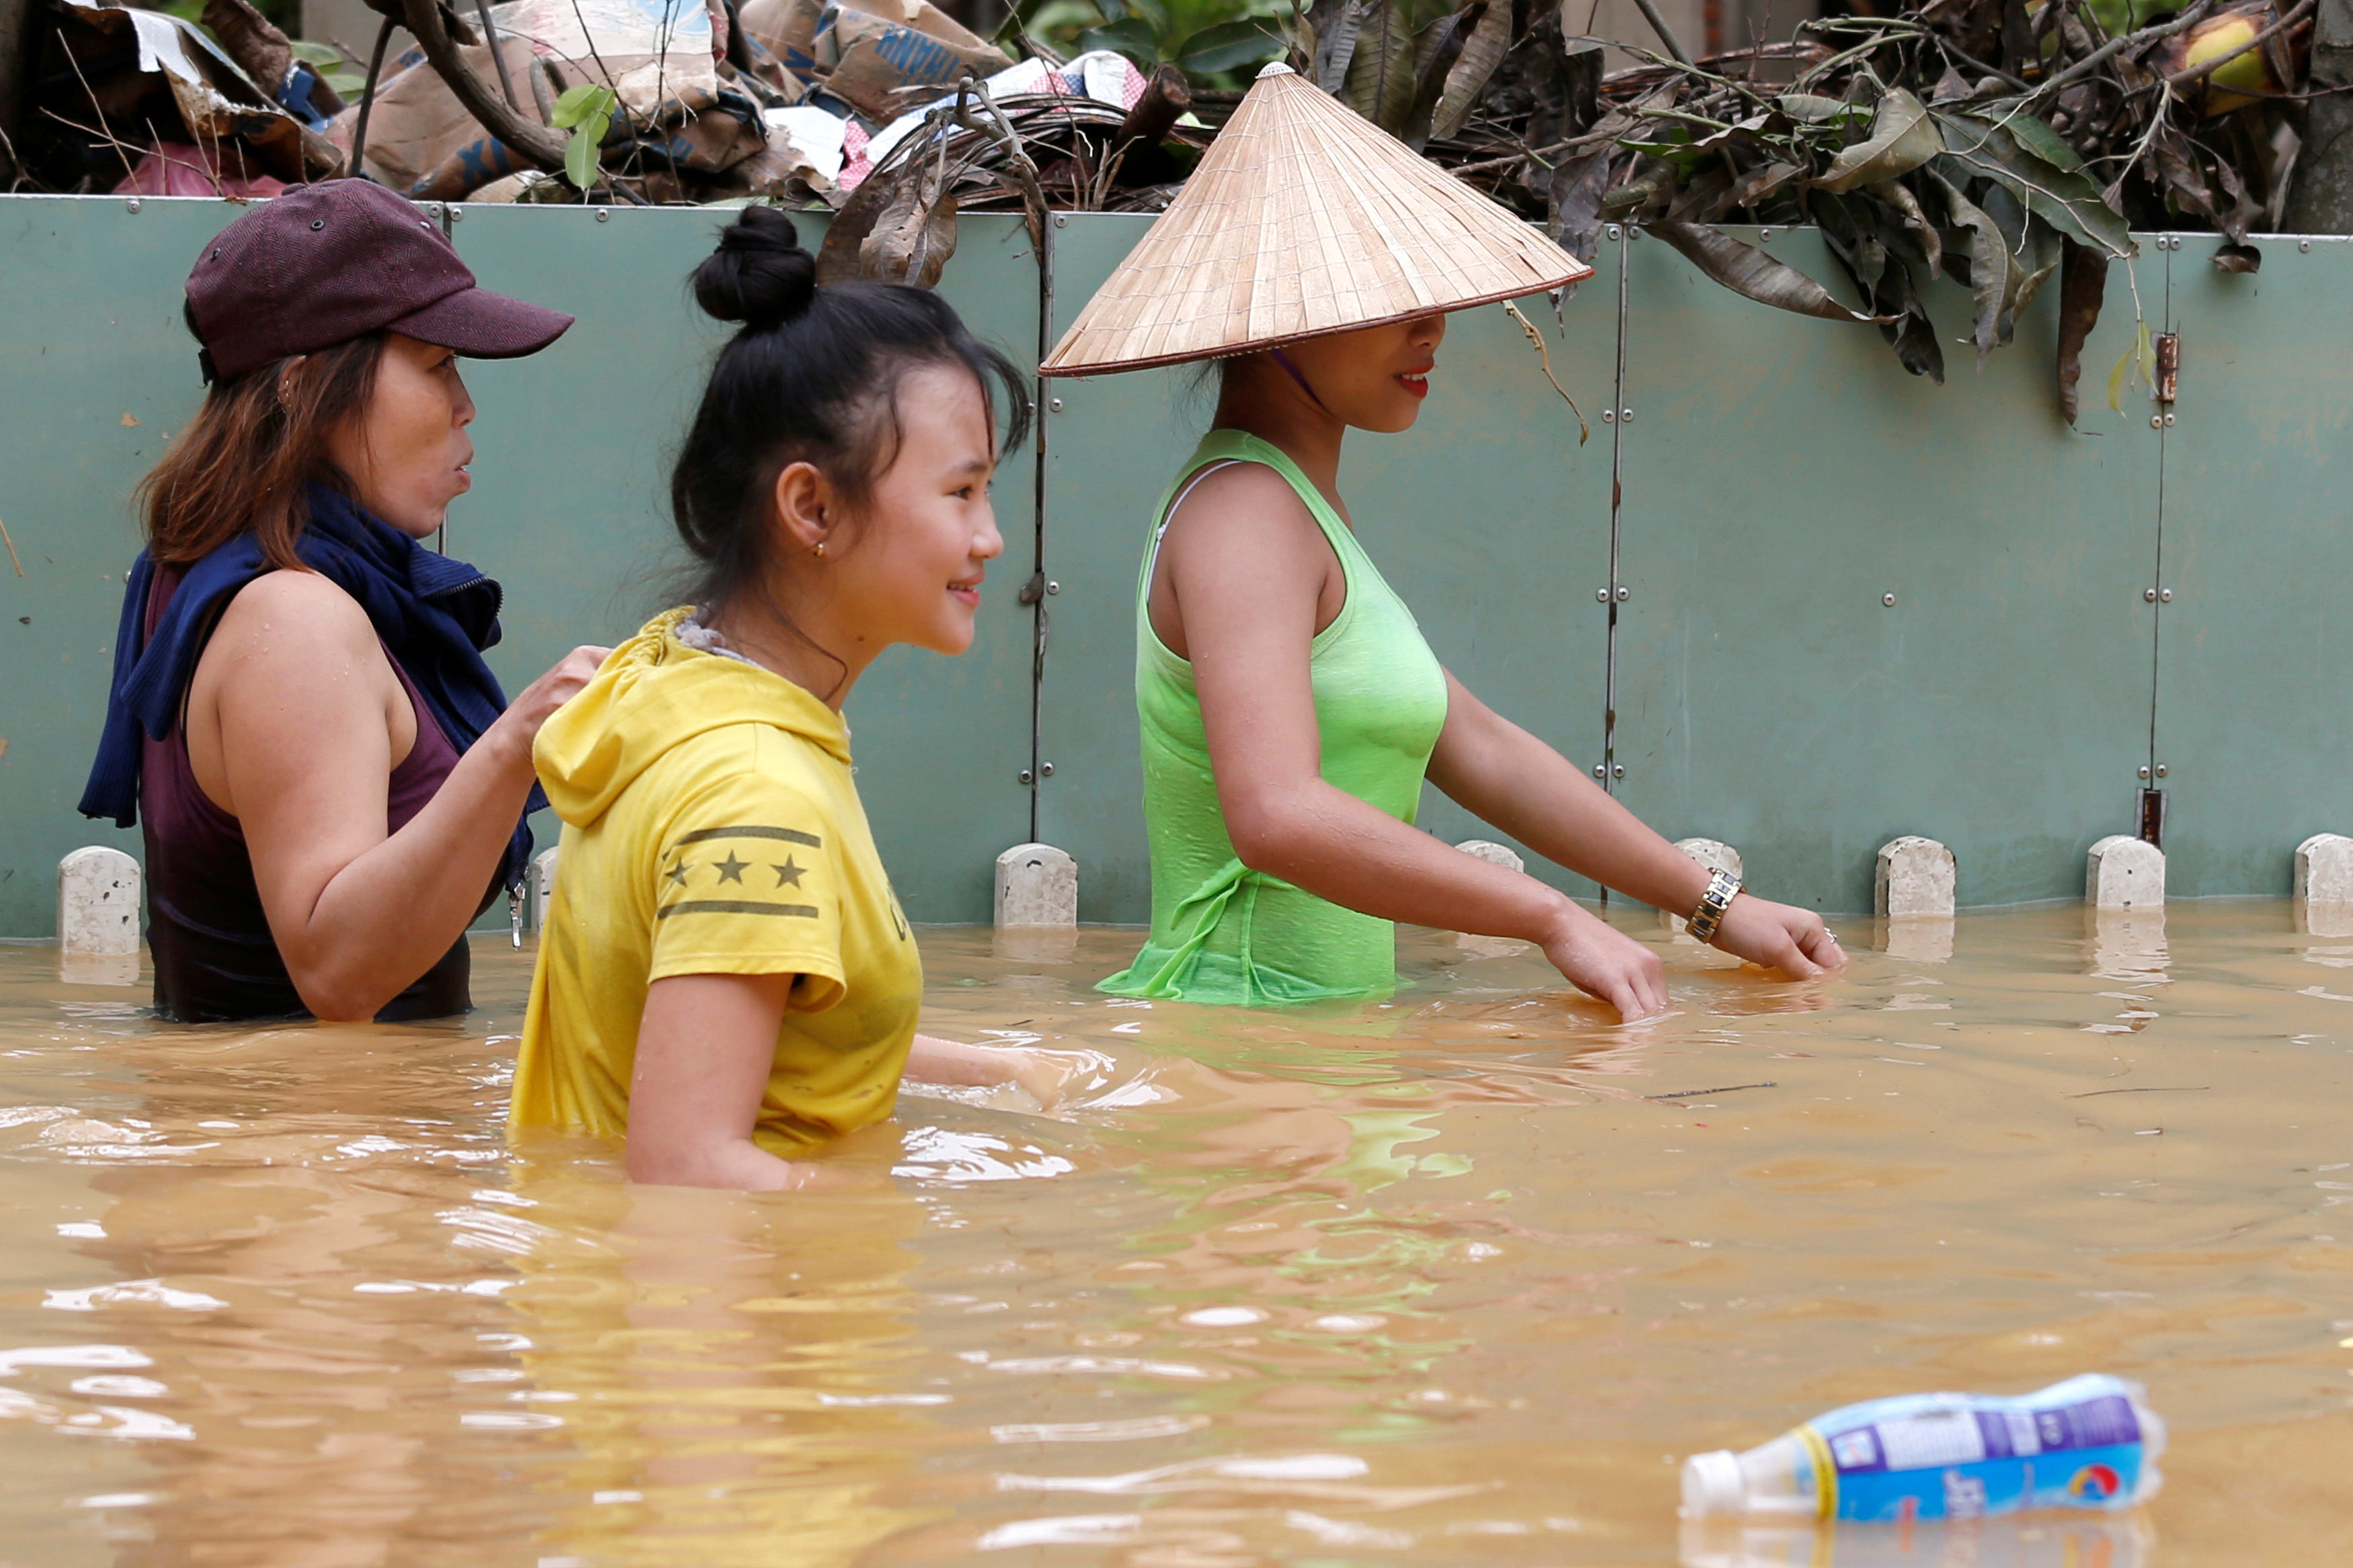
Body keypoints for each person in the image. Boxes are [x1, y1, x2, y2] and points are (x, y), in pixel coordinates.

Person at [1040, 65, 1845, 1018]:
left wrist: (1717, 906)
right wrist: (1549, 915)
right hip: (1242, 1048)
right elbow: (1277, 813)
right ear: (1278, 321)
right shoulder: (1245, 513)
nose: (1433, 327)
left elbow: (1482, 749)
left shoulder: (1293, 506)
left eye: (1430, 292)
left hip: (1311, 1051)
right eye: (1389, 297)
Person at [512, 210, 1080, 1191]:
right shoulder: (755, 794)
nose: (990, 537)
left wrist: (1013, 1072)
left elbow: (761, 1038)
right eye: (961, 492)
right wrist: (935, 1213)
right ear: (813, 506)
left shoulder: (665, 678)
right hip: (736, 1293)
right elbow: (690, 1168)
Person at [81, 179, 607, 1024]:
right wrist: (517, 744)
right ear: (302, 387)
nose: (466, 405)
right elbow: (336, 972)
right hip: (328, 1112)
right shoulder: (294, 619)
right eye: (437, 365)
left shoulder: (205, 572)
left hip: (267, 1106)